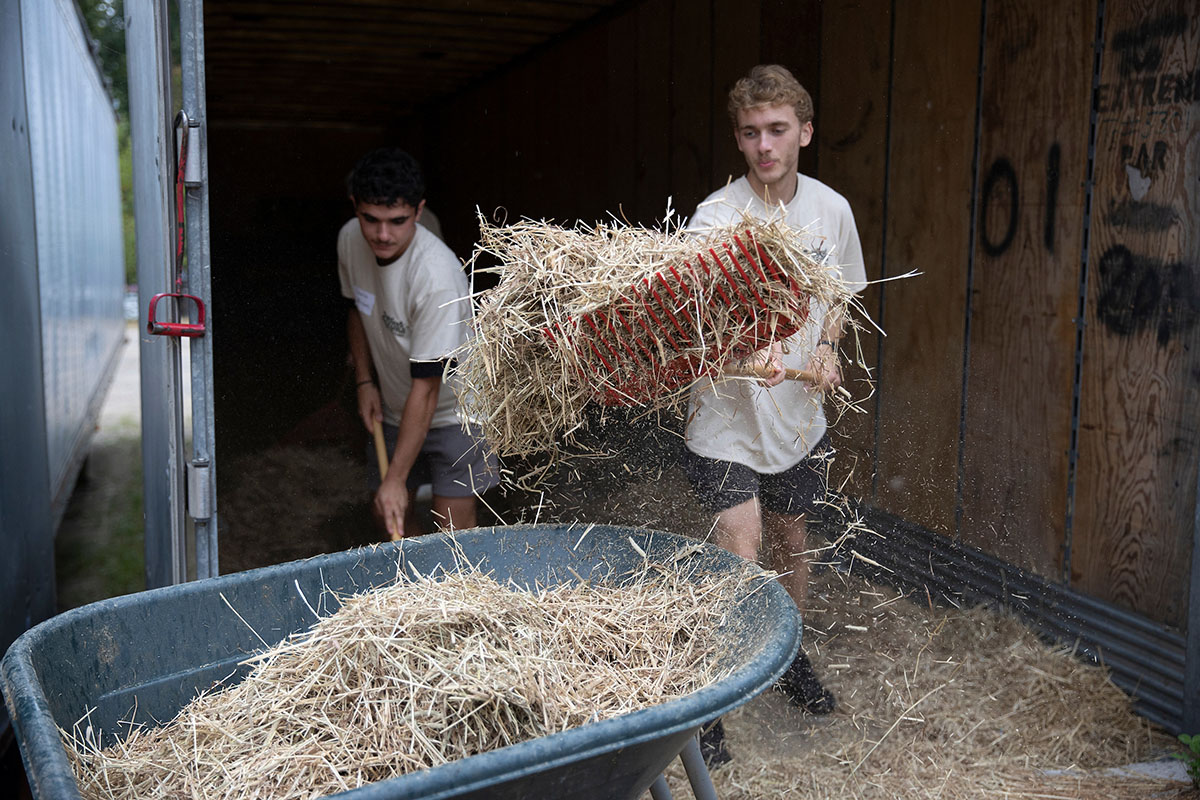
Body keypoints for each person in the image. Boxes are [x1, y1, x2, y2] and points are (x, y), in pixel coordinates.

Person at [685, 65, 867, 761]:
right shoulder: (717, 220)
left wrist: (825, 347)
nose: (765, 145)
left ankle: (787, 656)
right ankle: (718, 695)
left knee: (794, 540)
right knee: (743, 544)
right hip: (725, 420)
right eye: (752, 133)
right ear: (739, 139)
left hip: (796, 417)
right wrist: (739, 349)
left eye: (778, 130)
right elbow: (688, 327)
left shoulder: (830, 212)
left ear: (805, 133)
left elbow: (842, 297)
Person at [338, 147, 498, 538]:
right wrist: (364, 382)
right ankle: (412, 591)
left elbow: (427, 390)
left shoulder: (436, 276)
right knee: (390, 517)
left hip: (456, 411)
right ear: (354, 206)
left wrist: (395, 478)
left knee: (452, 536)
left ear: (419, 211)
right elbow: (358, 310)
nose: (382, 235)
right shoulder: (348, 240)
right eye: (370, 219)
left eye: (397, 221)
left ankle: (456, 597)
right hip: (396, 406)